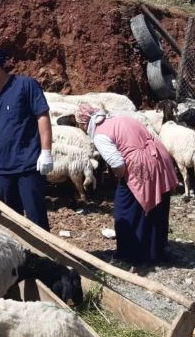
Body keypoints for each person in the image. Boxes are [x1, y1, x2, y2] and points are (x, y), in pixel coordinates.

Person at [75, 104, 178, 266]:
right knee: (158, 204)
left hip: (141, 163)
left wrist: (121, 178)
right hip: (159, 155)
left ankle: (130, 254)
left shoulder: (100, 135)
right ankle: (157, 250)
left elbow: (117, 164)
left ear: (84, 122)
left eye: (80, 124)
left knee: (125, 208)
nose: (80, 127)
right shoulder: (118, 119)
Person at [0, 47, 54, 230]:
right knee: (11, 219)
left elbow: (42, 117)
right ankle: (21, 256)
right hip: (2, 169)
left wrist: (46, 151)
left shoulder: (25, 86)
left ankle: (45, 257)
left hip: (28, 165)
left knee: (36, 218)